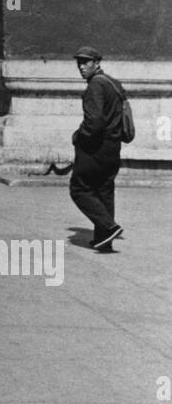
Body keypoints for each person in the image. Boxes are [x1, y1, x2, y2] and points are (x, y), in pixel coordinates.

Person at [69, 46, 125, 253]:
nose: (81, 67)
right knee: (104, 190)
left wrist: (78, 136)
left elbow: (94, 123)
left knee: (79, 189)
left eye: (86, 62)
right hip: (113, 147)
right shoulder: (114, 84)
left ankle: (110, 227)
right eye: (79, 63)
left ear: (97, 62)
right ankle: (104, 239)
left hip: (96, 149)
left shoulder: (95, 85)